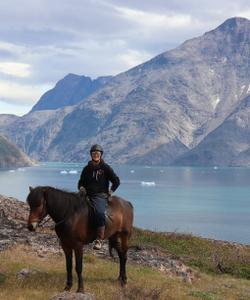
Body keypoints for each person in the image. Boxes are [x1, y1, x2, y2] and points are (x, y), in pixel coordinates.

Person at [78, 144, 120, 250]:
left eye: (98, 153)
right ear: (91, 155)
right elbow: (80, 182)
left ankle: (99, 239)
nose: (96, 155)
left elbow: (116, 181)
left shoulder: (105, 168)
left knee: (99, 213)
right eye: (94, 153)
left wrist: (110, 191)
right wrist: (81, 188)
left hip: (100, 196)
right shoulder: (86, 169)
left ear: (101, 155)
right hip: (86, 194)